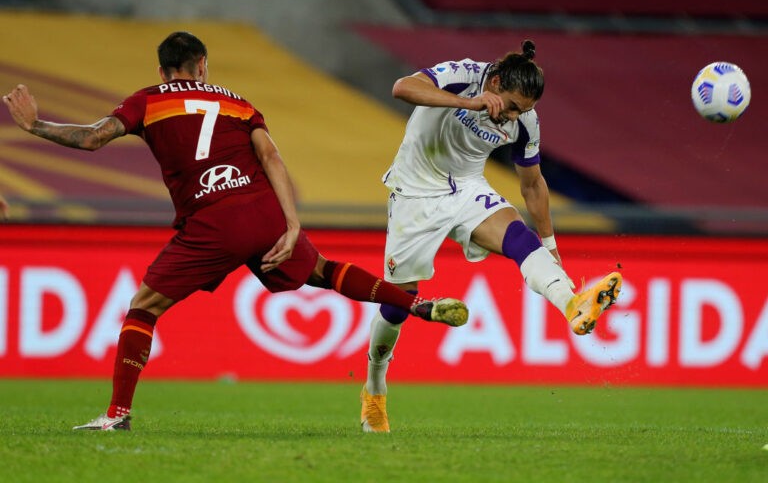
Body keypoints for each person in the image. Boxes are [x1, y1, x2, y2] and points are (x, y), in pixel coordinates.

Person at [2, 31, 469, 432]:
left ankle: (117, 414)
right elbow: (271, 158)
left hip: (211, 219)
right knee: (323, 271)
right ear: (202, 65)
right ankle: (417, 303)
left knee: (142, 309)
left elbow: (93, 138)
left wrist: (35, 124)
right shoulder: (237, 103)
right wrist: (292, 223)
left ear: (163, 70)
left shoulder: (148, 100)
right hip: (263, 210)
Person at [360, 40, 622, 433]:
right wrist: (470, 103)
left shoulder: (526, 122)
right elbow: (401, 87)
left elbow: (532, 185)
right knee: (398, 304)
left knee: (519, 237)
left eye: (525, 110)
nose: (514, 117)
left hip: (466, 189)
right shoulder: (462, 75)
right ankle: (374, 391)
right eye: (513, 106)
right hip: (414, 191)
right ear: (495, 81)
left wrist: (550, 249)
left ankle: (572, 304)